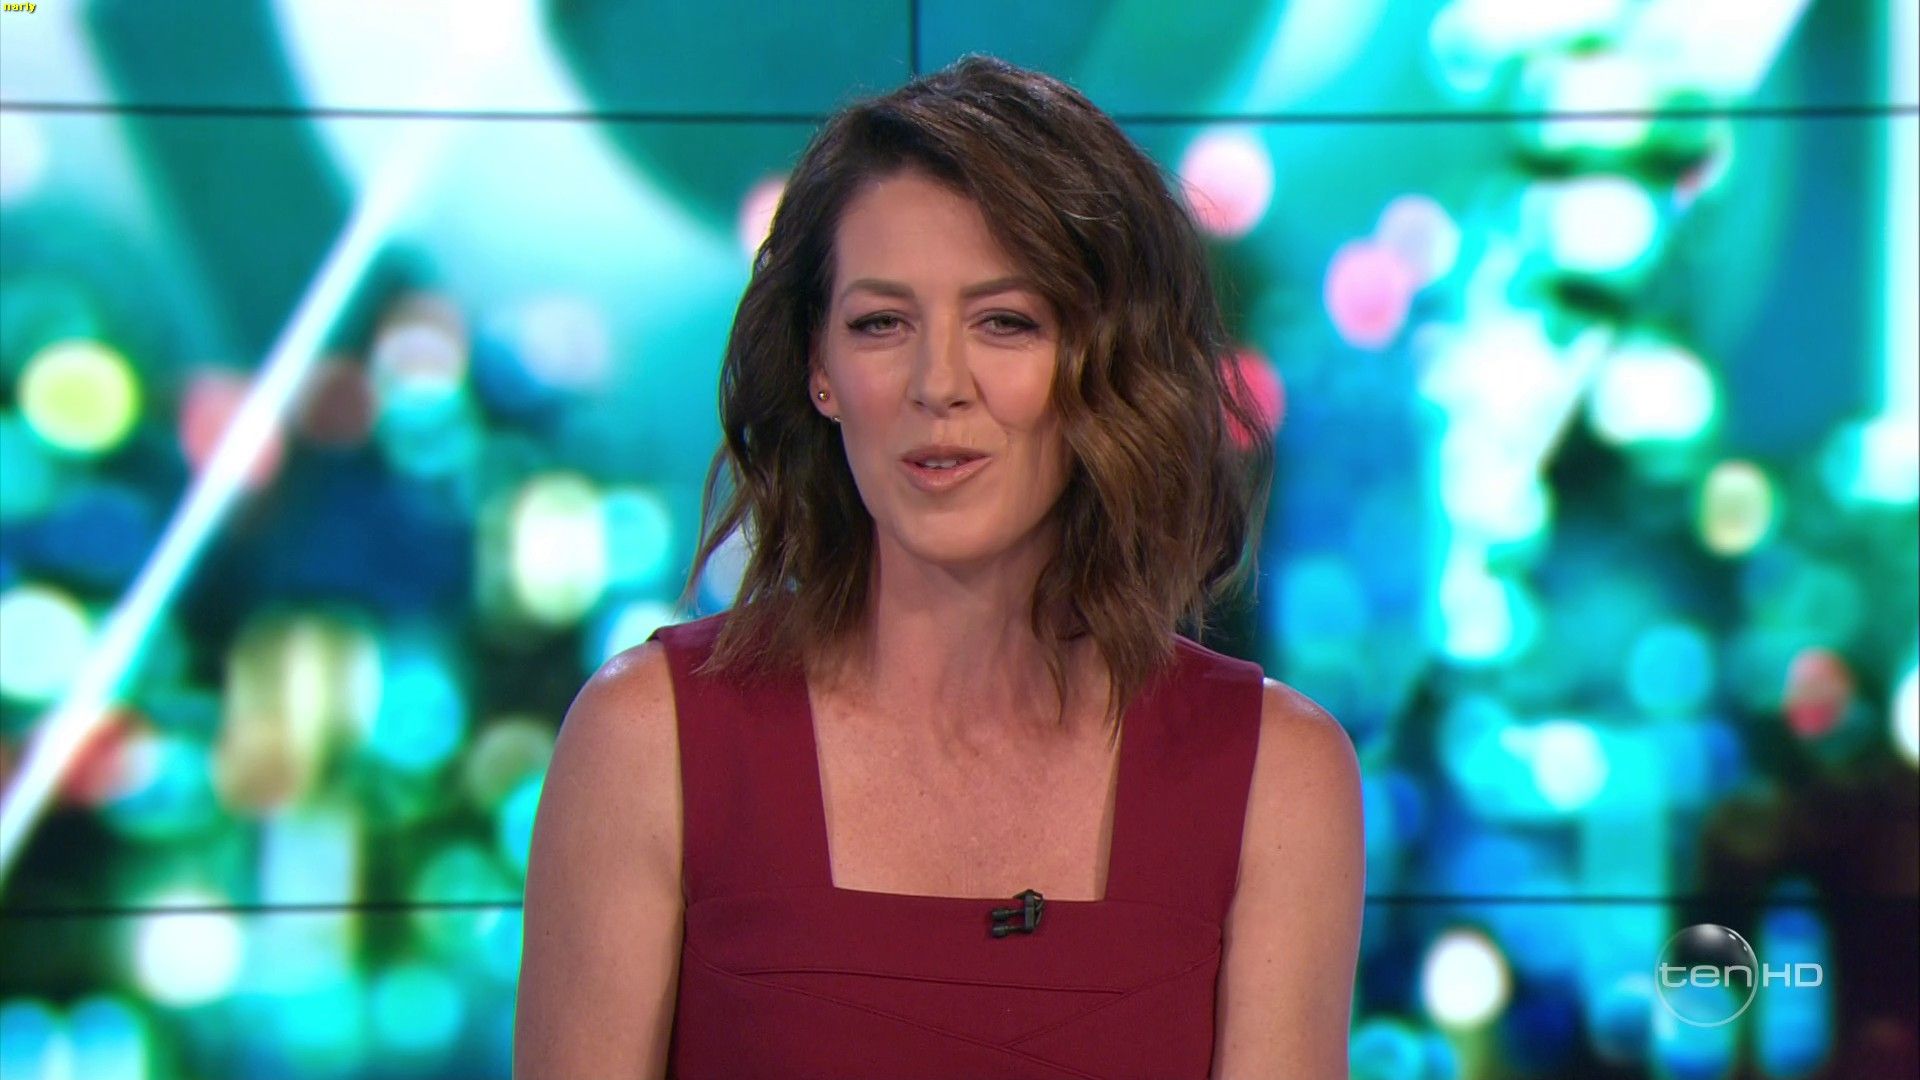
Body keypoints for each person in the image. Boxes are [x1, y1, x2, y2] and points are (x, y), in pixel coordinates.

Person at [515, 54, 1364, 1079]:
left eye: (1006, 322)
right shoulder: (648, 743)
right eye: (881, 324)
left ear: (1103, 360)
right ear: (821, 371)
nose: (938, 384)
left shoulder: (1276, 779)